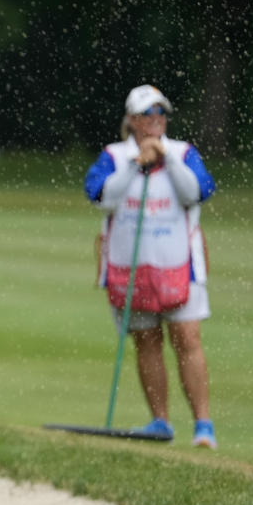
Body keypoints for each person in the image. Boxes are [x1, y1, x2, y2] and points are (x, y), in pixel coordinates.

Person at [84, 84, 218, 448]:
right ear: (131, 120)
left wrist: (165, 159)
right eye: (147, 115)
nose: (154, 122)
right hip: (130, 268)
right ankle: (160, 422)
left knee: (187, 338)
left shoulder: (183, 152)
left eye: (160, 115)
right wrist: (135, 165)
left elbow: (197, 191)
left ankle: (203, 426)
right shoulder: (114, 156)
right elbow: (102, 197)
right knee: (147, 341)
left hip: (180, 266)